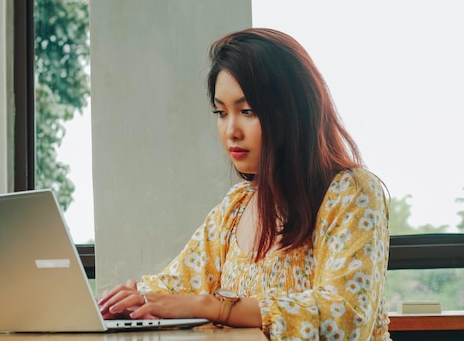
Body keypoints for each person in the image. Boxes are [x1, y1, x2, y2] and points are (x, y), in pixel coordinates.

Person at [97, 28, 391, 340]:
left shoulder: (353, 193)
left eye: (247, 111)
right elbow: (179, 284)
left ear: (292, 111)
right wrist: (136, 300)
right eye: (221, 113)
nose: (231, 131)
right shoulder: (237, 205)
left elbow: (343, 316)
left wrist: (215, 307)